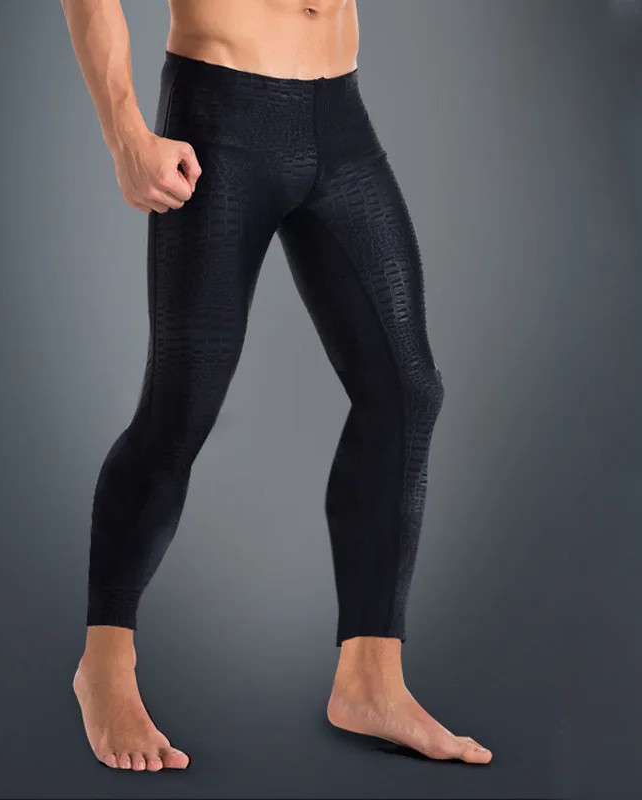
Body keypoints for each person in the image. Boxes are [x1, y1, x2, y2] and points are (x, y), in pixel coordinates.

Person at [61, 0, 492, 772]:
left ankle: (371, 678)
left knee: (406, 390)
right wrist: (125, 132)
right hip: (221, 113)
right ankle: (105, 665)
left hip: (340, 112)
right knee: (180, 409)